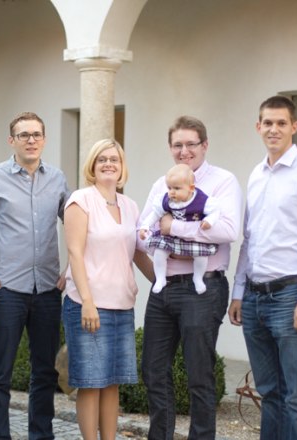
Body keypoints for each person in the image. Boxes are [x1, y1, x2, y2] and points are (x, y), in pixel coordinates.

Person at [228, 96, 297, 440]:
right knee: (270, 393)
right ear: (258, 127)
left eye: (281, 123)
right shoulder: (256, 175)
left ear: (294, 127)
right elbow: (249, 240)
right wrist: (238, 292)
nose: (273, 129)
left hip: (291, 297)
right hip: (255, 299)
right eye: (268, 123)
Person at [0, 112, 70, 439]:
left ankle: (41, 436)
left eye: (36, 134)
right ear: (12, 140)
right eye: (24, 135)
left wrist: (71, 269)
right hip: (6, 289)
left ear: (44, 140)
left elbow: (78, 225)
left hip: (47, 291)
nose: (31, 140)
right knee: (0, 374)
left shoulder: (57, 179)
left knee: (44, 373)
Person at [138, 116, 242, 440]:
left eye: (191, 144)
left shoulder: (223, 182)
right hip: (163, 288)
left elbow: (227, 230)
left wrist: (174, 229)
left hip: (203, 289)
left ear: (204, 145)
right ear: (170, 148)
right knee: (153, 370)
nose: (184, 151)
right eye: (177, 145)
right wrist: (181, 246)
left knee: (199, 375)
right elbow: (142, 233)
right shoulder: (162, 184)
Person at [63, 139, 154, 440]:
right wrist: (87, 301)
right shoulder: (80, 200)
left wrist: (162, 282)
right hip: (88, 305)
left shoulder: (130, 206)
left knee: (112, 382)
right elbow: (75, 253)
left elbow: (137, 253)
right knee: (91, 383)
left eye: (114, 159)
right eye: (101, 159)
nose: (108, 164)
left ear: (122, 166)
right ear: (92, 165)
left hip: (122, 305)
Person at [139, 163, 221, 294]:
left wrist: (209, 220)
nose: (172, 192)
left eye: (177, 188)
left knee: (201, 255)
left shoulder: (201, 200)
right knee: (160, 252)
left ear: (191, 188)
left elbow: (215, 211)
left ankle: (198, 278)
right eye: (169, 187)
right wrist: (145, 226)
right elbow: (155, 213)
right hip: (171, 237)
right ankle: (160, 278)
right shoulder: (167, 200)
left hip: (192, 238)